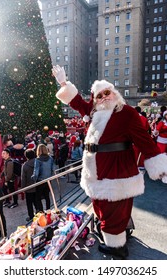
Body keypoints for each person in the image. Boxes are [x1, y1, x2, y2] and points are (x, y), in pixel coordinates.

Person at [52, 65, 167, 259]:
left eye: (108, 93)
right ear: (95, 99)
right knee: (101, 206)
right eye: (100, 95)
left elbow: (144, 140)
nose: (104, 97)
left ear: (114, 94)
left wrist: (160, 167)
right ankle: (111, 237)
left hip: (117, 171)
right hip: (96, 171)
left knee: (114, 210)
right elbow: (77, 101)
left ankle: (117, 248)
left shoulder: (127, 113)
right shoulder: (95, 110)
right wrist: (63, 83)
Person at [32, 144, 53, 212]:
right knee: (47, 196)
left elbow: (36, 172)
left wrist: (33, 179)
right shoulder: (50, 158)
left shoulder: (38, 160)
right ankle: (48, 210)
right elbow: (52, 169)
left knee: (38, 198)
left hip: (40, 180)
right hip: (48, 180)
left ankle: (41, 212)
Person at [21, 149, 37, 221]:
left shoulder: (25, 166)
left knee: (29, 203)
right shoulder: (38, 162)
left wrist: (23, 188)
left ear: (26, 156)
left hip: (29, 187)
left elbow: (23, 178)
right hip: (38, 185)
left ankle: (31, 216)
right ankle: (39, 213)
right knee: (37, 201)